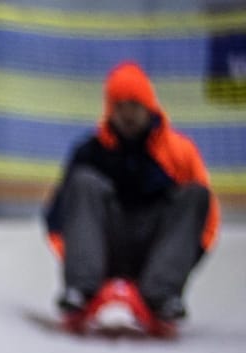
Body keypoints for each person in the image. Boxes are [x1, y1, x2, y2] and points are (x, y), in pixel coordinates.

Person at [44, 61, 219, 325]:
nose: (127, 115)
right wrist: (75, 259)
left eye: (134, 106)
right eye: (120, 106)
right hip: (104, 247)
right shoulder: (89, 152)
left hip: (157, 249)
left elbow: (207, 220)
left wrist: (182, 264)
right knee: (83, 182)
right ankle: (81, 288)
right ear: (109, 110)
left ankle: (162, 294)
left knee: (196, 194)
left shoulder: (179, 152)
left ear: (149, 107)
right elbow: (56, 218)